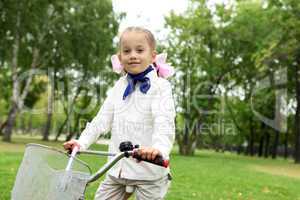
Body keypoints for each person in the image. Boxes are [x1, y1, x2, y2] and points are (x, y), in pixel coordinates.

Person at [63, 26, 176, 200]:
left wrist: (158, 149)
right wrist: (81, 142)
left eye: (139, 50)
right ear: (120, 57)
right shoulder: (119, 86)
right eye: (127, 51)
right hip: (118, 168)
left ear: (153, 56)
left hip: (149, 170)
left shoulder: (161, 87)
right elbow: (102, 120)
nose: (133, 55)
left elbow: (164, 122)